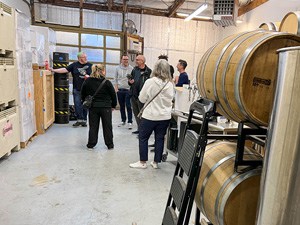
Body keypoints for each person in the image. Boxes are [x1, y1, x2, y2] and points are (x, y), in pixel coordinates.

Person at [129, 59, 174, 169]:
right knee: (159, 138)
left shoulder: (150, 81)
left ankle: (142, 162)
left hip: (150, 115)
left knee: (143, 137)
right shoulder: (170, 84)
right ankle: (156, 162)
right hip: (165, 116)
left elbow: (142, 98)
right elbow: (171, 99)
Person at [81, 64, 117, 150]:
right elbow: (113, 95)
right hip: (106, 107)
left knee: (93, 126)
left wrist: (85, 101)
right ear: (103, 71)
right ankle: (109, 145)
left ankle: (91, 144)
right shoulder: (107, 82)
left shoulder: (87, 81)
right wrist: (113, 105)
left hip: (93, 107)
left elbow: (82, 93)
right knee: (107, 126)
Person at [51, 52, 92, 127]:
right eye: (84, 57)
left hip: (87, 89)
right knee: (77, 104)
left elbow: (94, 75)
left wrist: (89, 77)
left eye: (86, 57)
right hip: (77, 88)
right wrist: (53, 70)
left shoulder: (90, 65)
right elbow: (65, 69)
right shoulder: (74, 65)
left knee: (85, 105)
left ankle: (84, 121)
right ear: (79, 58)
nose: (86, 58)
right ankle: (79, 119)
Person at [128, 55, 152, 134]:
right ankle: (140, 129)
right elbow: (130, 80)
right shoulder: (134, 70)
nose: (136, 61)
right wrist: (130, 82)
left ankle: (144, 131)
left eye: (137, 60)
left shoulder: (149, 71)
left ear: (142, 61)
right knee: (136, 113)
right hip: (134, 95)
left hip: (143, 97)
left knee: (143, 115)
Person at [114, 54, 134, 129]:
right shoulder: (117, 68)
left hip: (128, 90)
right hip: (120, 89)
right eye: (124, 59)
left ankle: (130, 121)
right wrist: (116, 89)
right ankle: (123, 120)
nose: (125, 61)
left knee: (128, 105)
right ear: (121, 60)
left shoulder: (131, 69)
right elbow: (115, 79)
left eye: (127, 59)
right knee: (121, 106)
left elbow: (133, 80)